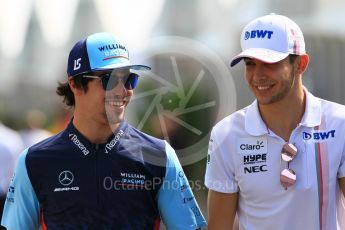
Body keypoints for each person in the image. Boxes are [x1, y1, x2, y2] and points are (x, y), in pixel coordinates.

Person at [1, 32, 206, 229]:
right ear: (75, 84)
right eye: (109, 79)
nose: (122, 90)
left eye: (128, 79)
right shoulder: (33, 161)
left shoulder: (160, 155)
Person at [205, 13, 345, 230]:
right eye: (250, 64)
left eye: (270, 63)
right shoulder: (226, 134)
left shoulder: (339, 123)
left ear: (300, 64)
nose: (257, 75)